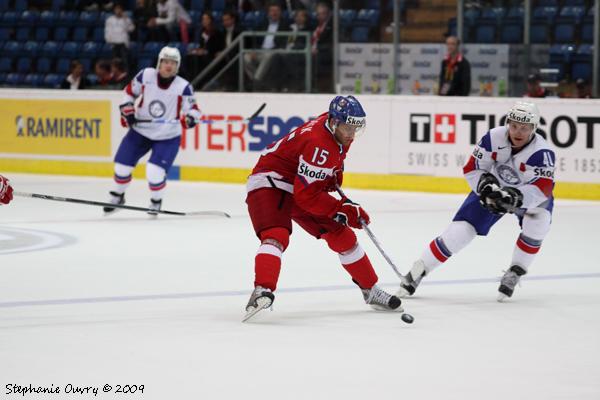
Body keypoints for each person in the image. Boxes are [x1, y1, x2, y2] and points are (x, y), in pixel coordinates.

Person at [244, 95, 402, 321]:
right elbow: (307, 197)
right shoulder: (319, 143)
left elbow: (318, 173)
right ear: (335, 122)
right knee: (276, 235)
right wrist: (343, 209)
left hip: (299, 183)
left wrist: (332, 174)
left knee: (342, 236)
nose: (351, 134)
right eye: (348, 127)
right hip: (271, 181)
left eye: (356, 128)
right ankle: (262, 290)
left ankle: (371, 290)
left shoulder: (335, 128)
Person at [397, 101, 555, 302]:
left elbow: (543, 188)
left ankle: (516, 271)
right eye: (514, 125)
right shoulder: (493, 137)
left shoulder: (542, 152)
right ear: (508, 123)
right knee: (460, 232)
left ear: (534, 128)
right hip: (495, 189)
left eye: (524, 128)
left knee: (539, 222)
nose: (518, 132)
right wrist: (485, 185)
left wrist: (516, 196)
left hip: (526, 194)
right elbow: (473, 168)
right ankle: (419, 270)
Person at [104, 46, 201, 216]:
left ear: (177, 66)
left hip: (167, 136)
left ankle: (156, 201)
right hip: (140, 131)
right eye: (165, 62)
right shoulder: (146, 75)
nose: (169, 65)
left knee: (154, 172)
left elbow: (194, 110)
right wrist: (128, 109)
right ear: (159, 63)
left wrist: (191, 118)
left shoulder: (183, 86)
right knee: (121, 167)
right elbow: (129, 93)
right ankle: (117, 196)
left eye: (173, 63)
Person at [243, 1, 290, 91]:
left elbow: (284, 42)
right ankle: (259, 81)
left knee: (268, 56)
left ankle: (256, 81)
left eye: (277, 10)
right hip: (260, 50)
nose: (274, 13)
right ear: (268, 13)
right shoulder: (262, 24)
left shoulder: (285, 25)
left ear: (280, 12)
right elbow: (256, 39)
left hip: (274, 51)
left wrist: (273, 50)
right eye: (272, 11)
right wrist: (254, 50)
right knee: (246, 57)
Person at [312, 1, 333, 93]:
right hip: (312, 51)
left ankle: (317, 87)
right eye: (318, 14)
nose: (320, 16)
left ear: (327, 14)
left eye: (323, 14)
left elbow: (331, 42)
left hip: (324, 52)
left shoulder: (332, 25)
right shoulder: (315, 25)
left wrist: (318, 49)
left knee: (316, 59)